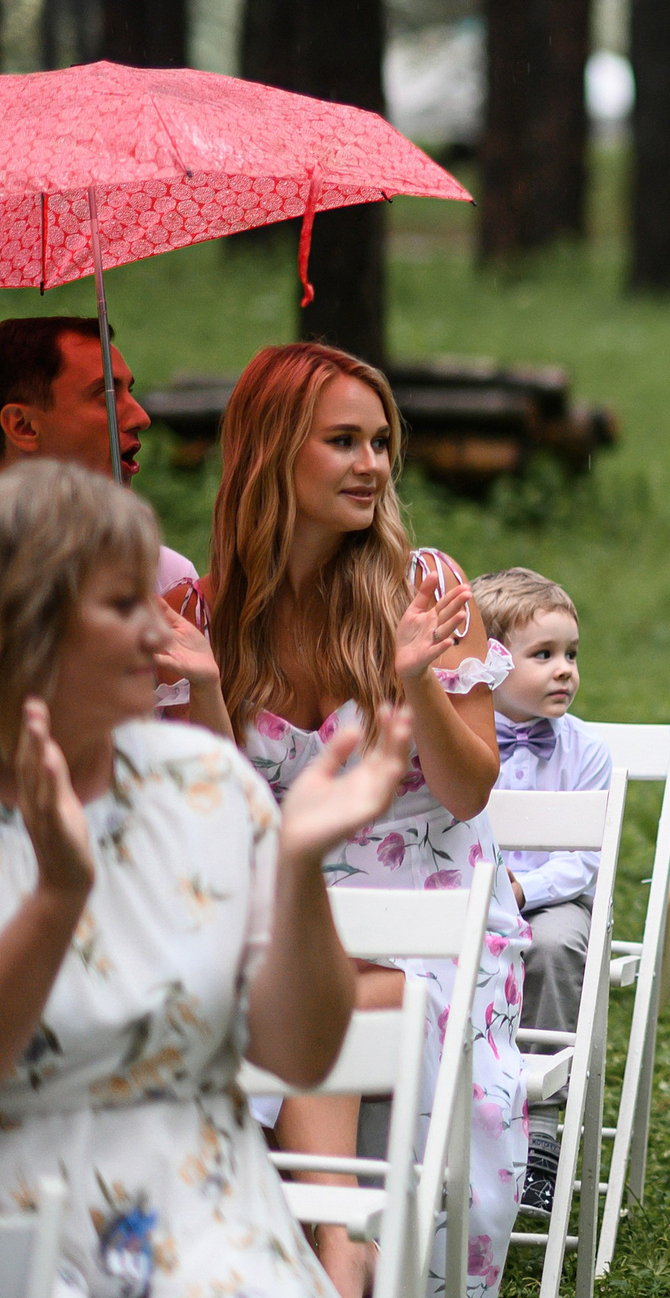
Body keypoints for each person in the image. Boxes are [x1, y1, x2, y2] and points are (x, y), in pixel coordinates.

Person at [0, 459, 410, 1298]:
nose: (161, 631)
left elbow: (300, 1052)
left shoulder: (202, 782)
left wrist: (298, 868)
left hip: (212, 1226)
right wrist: (58, 898)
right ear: (24, 624)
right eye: (122, 605)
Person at [172, 342, 529, 1298]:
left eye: (379, 441)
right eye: (342, 441)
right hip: (298, 919)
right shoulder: (215, 619)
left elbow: (469, 791)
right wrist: (205, 689)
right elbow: (227, 809)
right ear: (271, 452)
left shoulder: (429, 590)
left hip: (433, 928)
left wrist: (415, 675)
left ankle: (333, 1252)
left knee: (277, 1012)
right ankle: (335, 1249)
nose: (372, 463)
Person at [0, 315, 226, 735]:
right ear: (23, 425)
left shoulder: (164, 577)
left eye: (131, 391)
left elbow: (195, 775)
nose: (139, 416)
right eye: (104, 395)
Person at [472, 566, 613, 1218]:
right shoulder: (460, 741)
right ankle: (461, 1116)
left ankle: (545, 1136)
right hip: (473, 896)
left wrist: (523, 888)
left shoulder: (586, 750)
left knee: (555, 945)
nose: (565, 670)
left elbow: (581, 864)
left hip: (550, 900)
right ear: (492, 663)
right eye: (544, 654)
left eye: (572, 654)